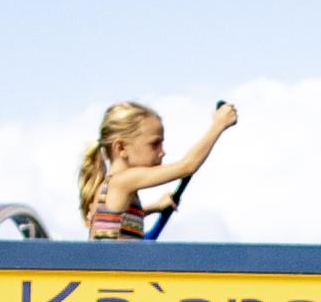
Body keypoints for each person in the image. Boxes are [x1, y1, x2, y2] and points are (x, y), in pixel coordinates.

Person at [79, 99, 236, 239]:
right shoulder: (123, 182)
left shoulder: (114, 189)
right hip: (112, 271)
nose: (163, 151)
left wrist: (154, 207)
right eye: (155, 144)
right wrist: (218, 125)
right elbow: (187, 166)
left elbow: (121, 221)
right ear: (121, 147)